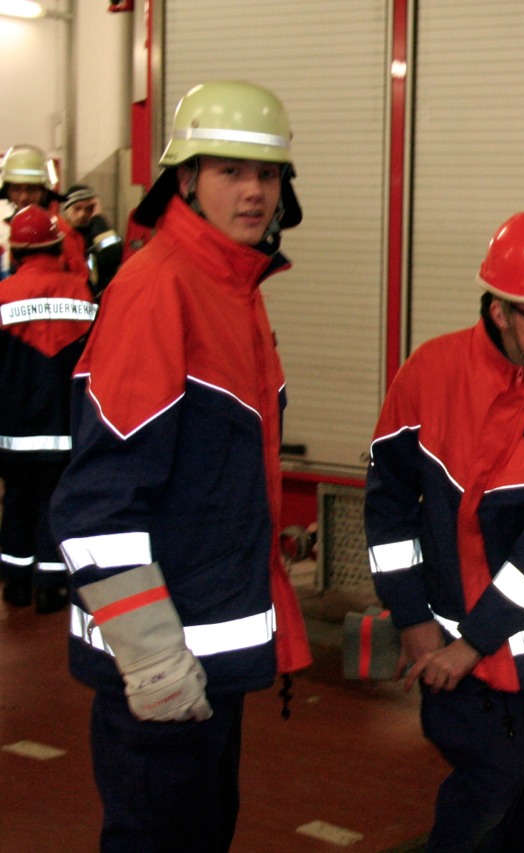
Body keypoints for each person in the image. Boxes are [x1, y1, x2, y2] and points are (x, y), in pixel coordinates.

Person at [47, 80, 312, 853]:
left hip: (207, 659)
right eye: (231, 171)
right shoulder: (158, 290)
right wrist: (153, 655)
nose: (255, 191)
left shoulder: (233, 288)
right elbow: (96, 505)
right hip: (164, 669)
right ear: (186, 179)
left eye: (267, 173)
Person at [364, 211, 524, 852]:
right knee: (492, 783)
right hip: (449, 648)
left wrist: (475, 641)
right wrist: (412, 619)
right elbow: (389, 505)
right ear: (500, 312)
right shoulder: (431, 371)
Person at [0, 205, 96, 613]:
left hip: (13, 429)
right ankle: (52, 587)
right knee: (56, 504)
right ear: (58, 246)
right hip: (66, 427)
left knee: (16, 501)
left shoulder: (3, 295)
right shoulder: (82, 294)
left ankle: (16, 584)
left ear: (17, 250)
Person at [1, 144, 88, 280]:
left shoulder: (59, 231)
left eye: (31, 189)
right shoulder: (2, 231)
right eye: (16, 189)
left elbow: (80, 278)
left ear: (44, 192)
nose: (24, 197)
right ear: (7, 192)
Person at [60, 183, 124, 297]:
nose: (82, 214)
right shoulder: (59, 236)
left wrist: (97, 218)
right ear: (66, 210)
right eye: (77, 209)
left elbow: (113, 257)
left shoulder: (96, 230)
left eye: (88, 209)